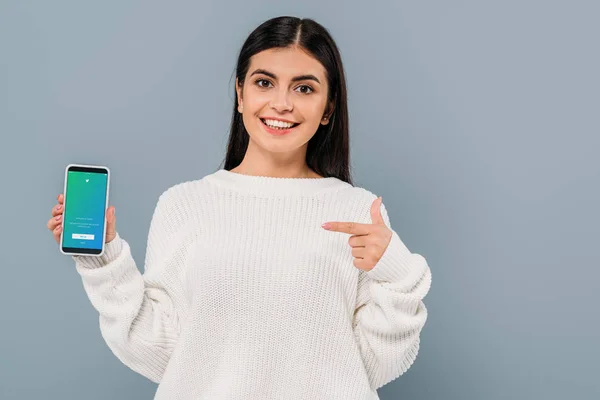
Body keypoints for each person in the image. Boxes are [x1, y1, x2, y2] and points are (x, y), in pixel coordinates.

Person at [46, 15, 432, 400]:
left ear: (328, 108)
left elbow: (372, 366)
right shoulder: (184, 204)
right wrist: (104, 261)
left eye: (304, 88)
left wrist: (397, 272)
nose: (281, 104)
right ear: (240, 93)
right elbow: (163, 353)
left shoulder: (358, 211)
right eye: (264, 83)